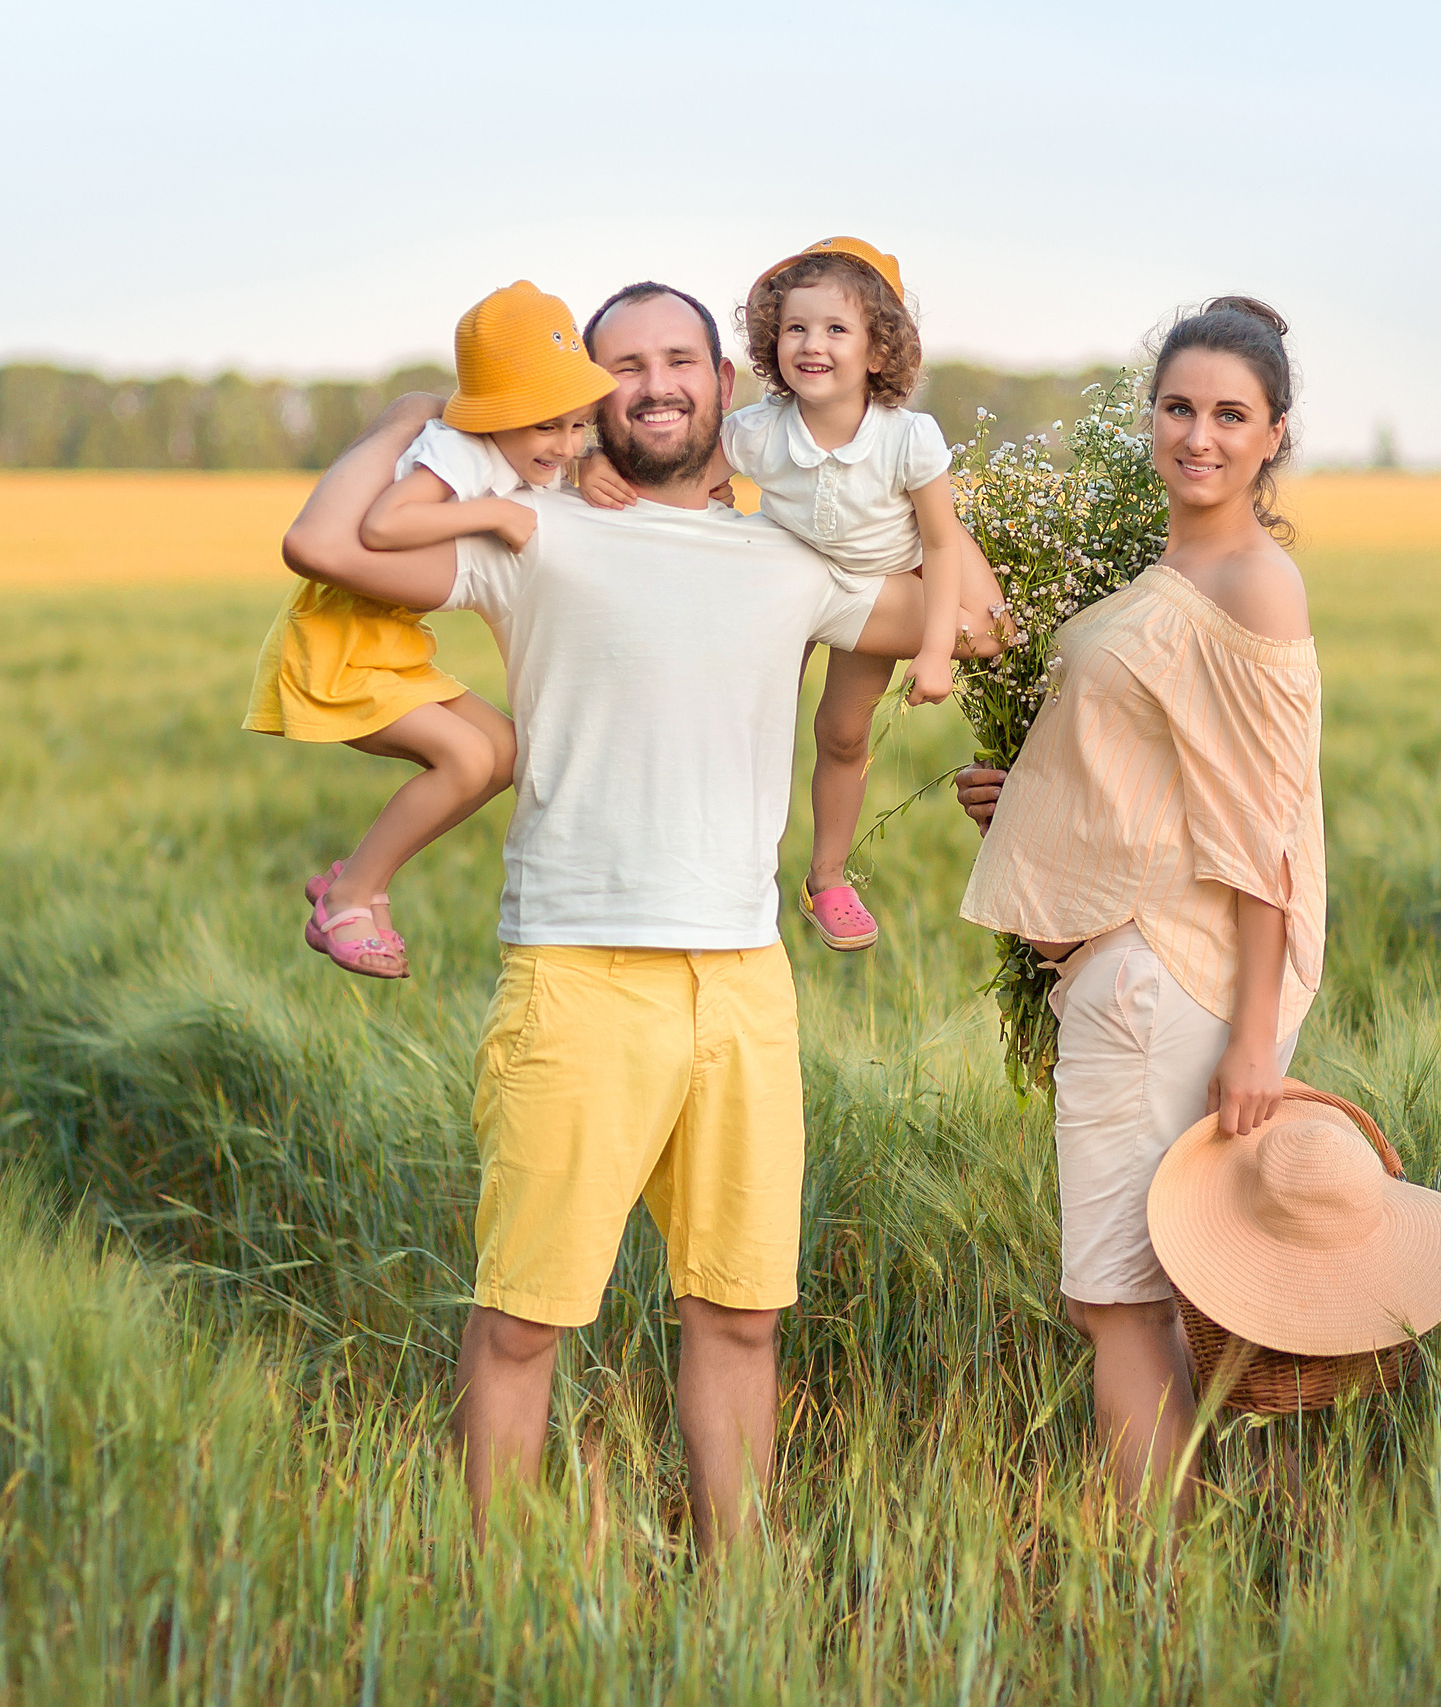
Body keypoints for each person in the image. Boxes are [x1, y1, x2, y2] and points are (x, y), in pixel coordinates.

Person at [281, 279, 977, 1551]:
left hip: (744, 984)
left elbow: (971, 618)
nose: (655, 384)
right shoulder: (531, 530)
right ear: (585, 395)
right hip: (577, 974)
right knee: (523, 1318)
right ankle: (506, 1603)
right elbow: (326, 546)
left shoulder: (792, 560)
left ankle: (741, 1601)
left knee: (741, 1315)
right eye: (623, 367)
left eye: (679, 359)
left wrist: (910, 486)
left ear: (725, 382)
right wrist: (412, 417)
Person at [953, 297, 1326, 1520]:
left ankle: (1145, 1584)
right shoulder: (1170, 572)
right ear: (1147, 416)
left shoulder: (1253, 582)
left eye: (1230, 415)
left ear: (1273, 435)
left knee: (1117, 1299)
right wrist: (1021, 800)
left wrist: (1255, 1040)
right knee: (1144, 1295)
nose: (1198, 436)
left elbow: (1264, 830)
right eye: (1177, 408)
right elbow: (1151, 779)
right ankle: (1176, 1571)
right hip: (1138, 973)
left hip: (1169, 977)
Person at [579, 238, 1005, 954]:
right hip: (786, 579)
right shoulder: (757, 430)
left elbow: (939, 544)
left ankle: (827, 877)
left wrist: (935, 652)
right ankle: (719, 864)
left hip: (875, 583)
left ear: (878, 350)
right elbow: (680, 476)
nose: (813, 344)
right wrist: (589, 462)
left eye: (837, 329)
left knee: (843, 734)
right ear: (772, 343)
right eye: (796, 328)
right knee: (749, 719)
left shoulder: (908, 439)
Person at [244, 281, 611, 978]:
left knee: (505, 751)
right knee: (468, 760)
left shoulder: (517, 452)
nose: (565, 444)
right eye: (547, 426)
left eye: (577, 426)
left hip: (388, 642)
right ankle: (349, 896)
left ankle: (358, 877)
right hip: (339, 644)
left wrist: (582, 467)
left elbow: (554, 468)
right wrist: (491, 514)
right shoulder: (461, 452)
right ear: (496, 416)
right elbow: (385, 524)